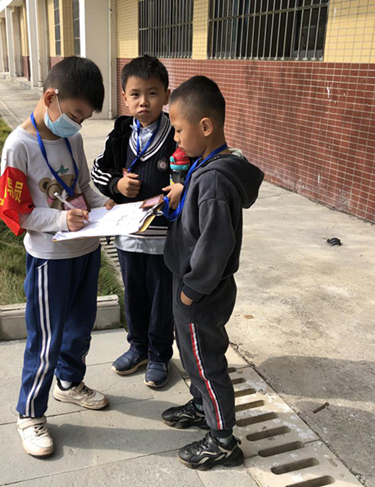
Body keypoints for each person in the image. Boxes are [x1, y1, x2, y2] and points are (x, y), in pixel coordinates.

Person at [0, 57, 115, 458]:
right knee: (46, 338)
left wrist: (104, 204)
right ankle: (30, 414)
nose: (77, 125)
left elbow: (83, 187)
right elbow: (17, 212)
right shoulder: (18, 146)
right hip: (50, 257)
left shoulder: (72, 138)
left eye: (84, 119)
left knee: (80, 327)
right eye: (75, 115)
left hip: (86, 249)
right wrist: (61, 219)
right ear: (50, 98)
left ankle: (69, 383)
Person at [161, 76, 264, 470]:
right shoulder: (207, 166)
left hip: (200, 291)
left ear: (205, 126)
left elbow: (215, 245)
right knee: (193, 355)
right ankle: (203, 407)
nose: (175, 138)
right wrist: (183, 191)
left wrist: (191, 289)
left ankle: (223, 441)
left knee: (206, 362)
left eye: (178, 129)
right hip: (193, 286)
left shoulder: (216, 179)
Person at [91, 55, 182, 388]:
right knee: (135, 295)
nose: (144, 102)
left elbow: (196, 168)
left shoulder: (176, 133)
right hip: (128, 236)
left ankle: (159, 355)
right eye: (136, 94)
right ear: (125, 97)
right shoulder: (120, 133)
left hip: (164, 239)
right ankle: (138, 347)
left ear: (166, 95)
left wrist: (182, 188)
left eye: (153, 93)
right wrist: (116, 185)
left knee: (161, 301)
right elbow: (98, 170)